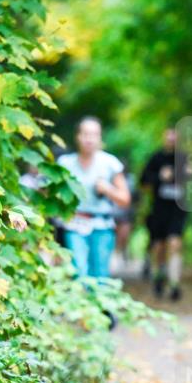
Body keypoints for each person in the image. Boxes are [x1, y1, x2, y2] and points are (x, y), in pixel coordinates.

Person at [57, 116, 131, 281]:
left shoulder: (110, 163)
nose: (89, 139)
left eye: (94, 134)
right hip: (74, 224)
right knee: (78, 270)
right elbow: (51, 194)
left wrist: (108, 189)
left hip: (102, 225)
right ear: (78, 136)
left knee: (100, 274)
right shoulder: (65, 164)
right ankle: (80, 305)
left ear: (100, 138)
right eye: (85, 134)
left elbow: (125, 199)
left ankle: (100, 305)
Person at [140, 127, 190, 301]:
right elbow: (144, 182)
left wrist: (184, 174)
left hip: (178, 209)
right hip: (159, 210)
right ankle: (159, 276)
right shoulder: (156, 158)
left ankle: (175, 283)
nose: (171, 141)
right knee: (159, 247)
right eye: (169, 138)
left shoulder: (184, 158)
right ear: (164, 139)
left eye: (174, 138)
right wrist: (160, 177)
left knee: (175, 243)